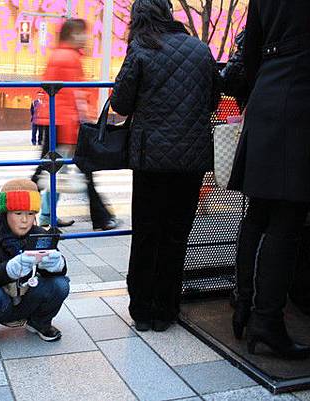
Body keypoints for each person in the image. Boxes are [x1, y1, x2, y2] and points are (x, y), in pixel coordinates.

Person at [110, 0, 219, 332]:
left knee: (147, 233)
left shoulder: (142, 47)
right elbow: (213, 98)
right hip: (191, 160)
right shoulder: (200, 49)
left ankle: (142, 310)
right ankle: (165, 310)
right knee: (176, 234)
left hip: (151, 160)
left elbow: (121, 102)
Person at [229, 0, 310, 359]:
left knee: (258, 211)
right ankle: (267, 322)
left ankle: (244, 307)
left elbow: (250, 48)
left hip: (266, 89)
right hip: (302, 95)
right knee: (288, 217)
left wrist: (257, 91)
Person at [34, 18, 117, 231]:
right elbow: (72, 97)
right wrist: (75, 132)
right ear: (72, 34)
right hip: (64, 123)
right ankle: (101, 218)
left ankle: (45, 213)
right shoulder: (69, 58)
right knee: (77, 168)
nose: (86, 37)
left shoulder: (59, 54)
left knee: (48, 169)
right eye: (82, 33)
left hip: (54, 120)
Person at [0, 179, 70, 349]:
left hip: (28, 299)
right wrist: (9, 269)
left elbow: (57, 274)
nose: (25, 220)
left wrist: (57, 265)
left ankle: (40, 323)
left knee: (61, 284)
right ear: (5, 213)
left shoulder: (41, 235)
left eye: (30, 213)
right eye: (18, 213)